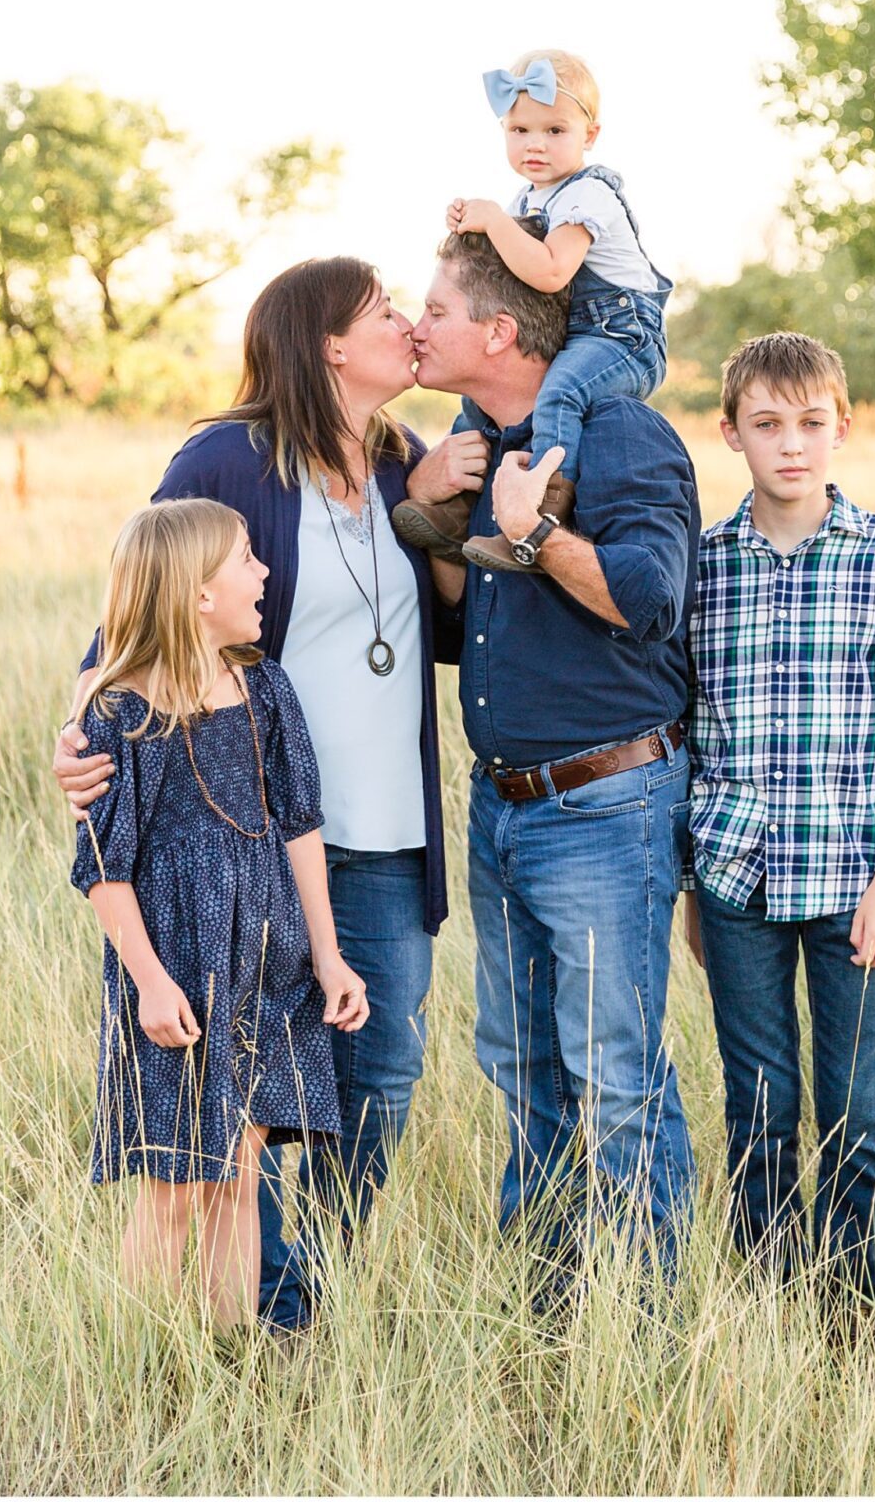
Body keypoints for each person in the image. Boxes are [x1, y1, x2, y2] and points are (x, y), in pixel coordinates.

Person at [53, 258, 482, 1332]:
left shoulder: (402, 463)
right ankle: (264, 1308)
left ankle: (308, 1281)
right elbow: (137, 607)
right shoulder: (230, 457)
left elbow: (445, 634)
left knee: (381, 1066)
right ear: (329, 342)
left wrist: (439, 521)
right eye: (385, 309)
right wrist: (80, 727)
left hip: (378, 824)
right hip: (243, 836)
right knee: (246, 1086)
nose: (405, 324)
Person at [407, 227, 700, 1299]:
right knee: (520, 1063)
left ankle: (649, 1319)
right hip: (502, 805)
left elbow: (644, 598)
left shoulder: (620, 435)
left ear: (496, 327)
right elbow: (463, 632)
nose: (415, 325)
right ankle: (543, 1301)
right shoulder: (474, 435)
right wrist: (442, 527)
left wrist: (530, 533)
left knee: (615, 1072)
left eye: (432, 308)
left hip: (604, 800)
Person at [681, 331, 875, 1313]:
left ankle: (852, 1304)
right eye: (766, 424)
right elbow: (688, 733)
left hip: (853, 883)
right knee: (758, 1104)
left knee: (856, 1107)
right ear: (730, 433)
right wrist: (691, 887)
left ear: (842, 426)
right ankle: (762, 1298)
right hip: (737, 878)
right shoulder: (703, 563)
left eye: (810, 422)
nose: (790, 444)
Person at [68, 496, 368, 1330]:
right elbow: (101, 869)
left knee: (239, 1169)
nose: (263, 571)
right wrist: (152, 986)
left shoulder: (264, 687)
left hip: (267, 954)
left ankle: (228, 1357)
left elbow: (301, 826)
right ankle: (141, 1358)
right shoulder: (119, 709)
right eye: (245, 558)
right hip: (175, 966)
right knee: (173, 1180)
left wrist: (329, 956)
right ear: (198, 592)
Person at [394, 49, 671, 573]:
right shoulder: (530, 198)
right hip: (578, 332)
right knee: (475, 409)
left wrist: (495, 221)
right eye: (520, 130)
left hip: (622, 336)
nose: (535, 144)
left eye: (554, 130)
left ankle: (542, 518)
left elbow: (549, 272)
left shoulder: (589, 194)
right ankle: (458, 510)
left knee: (560, 393)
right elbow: (507, 270)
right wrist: (474, 226)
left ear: (589, 136)